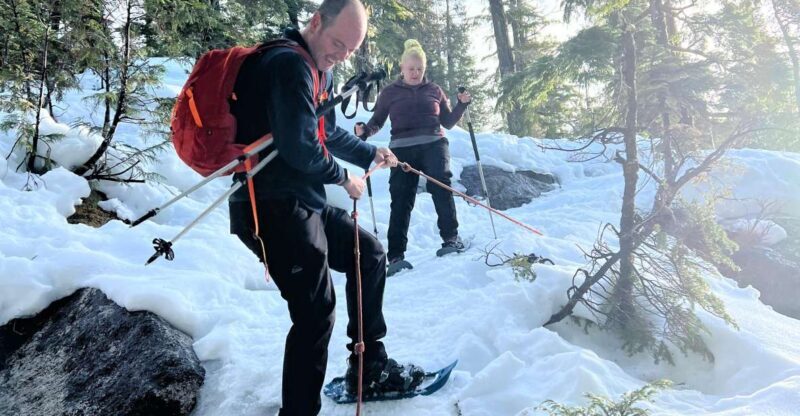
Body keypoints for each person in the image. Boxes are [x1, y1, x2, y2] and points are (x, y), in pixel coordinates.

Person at [227, 1, 423, 414]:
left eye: (350, 49)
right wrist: (343, 178)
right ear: (316, 22)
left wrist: (370, 153)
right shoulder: (288, 65)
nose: (341, 55)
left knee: (369, 255)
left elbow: (325, 133)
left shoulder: (319, 69)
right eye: (338, 43)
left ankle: (368, 366)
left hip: (301, 202)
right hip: (269, 208)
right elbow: (301, 148)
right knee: (315, 313)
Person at [355, 39, 472, 274]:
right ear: (402, 68)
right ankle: (396, 256)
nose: (415, 73)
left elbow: (448, 122)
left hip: (434, 145)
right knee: (401, 199)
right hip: (401, 150)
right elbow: (377, 120)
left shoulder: (434, 90)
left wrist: (461, 105)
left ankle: (451, 238)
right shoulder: (390, 93)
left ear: (424, 69)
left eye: (419, 69)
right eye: (411, 68)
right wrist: (364, 131)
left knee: (441, 187)